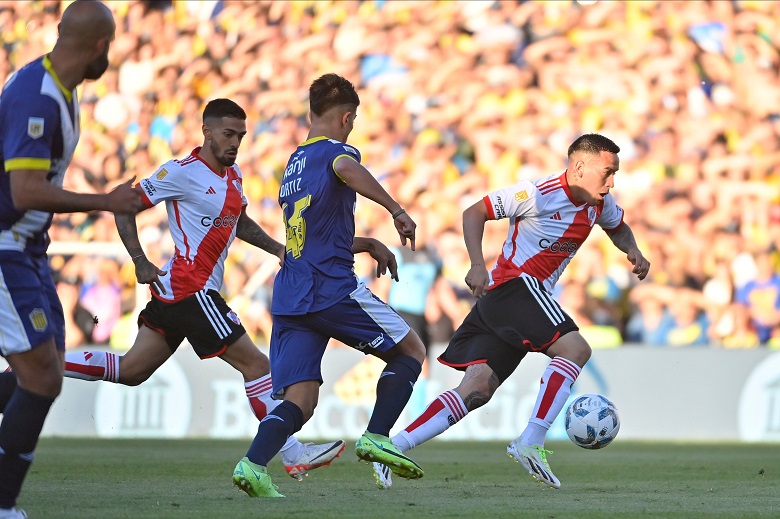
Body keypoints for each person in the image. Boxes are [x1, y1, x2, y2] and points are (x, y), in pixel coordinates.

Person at [62, 98, 382, 480]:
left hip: (177, 293)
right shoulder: (181, 172)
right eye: (228, 134)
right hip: (192, 290)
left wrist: (276, 248)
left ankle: (50, 363)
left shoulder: (234, 176)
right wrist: (139, 260)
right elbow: (124, 205)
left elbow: (239, 222)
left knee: (132, 371)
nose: (235, 143)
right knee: (257, 366)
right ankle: (292, 453)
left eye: (241, 136)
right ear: (207, 131)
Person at [371, 133, 650, 490]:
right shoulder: (537, 193)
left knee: (477, 389)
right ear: (579, 167)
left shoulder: (600, 203)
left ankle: (393, 447)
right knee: (576, 349)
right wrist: (477, 264)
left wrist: (633, 250)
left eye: (615, 174)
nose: (612, 183)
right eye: (607, 173)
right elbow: (475, 212)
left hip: (507, 302)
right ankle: (531, 441)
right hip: (515, 287)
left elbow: (618, 228)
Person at [231, 73, 427, 498]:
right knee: (411, 350)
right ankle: (377, 436)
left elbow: (312, 237)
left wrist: (368, 243)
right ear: (346, 118)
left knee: (300, 401)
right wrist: (395, 209)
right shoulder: (338, 152)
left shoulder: (293, 165)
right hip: (330, 288)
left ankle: (253, 465)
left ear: (310, 114)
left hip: (291, 294)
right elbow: (345, 168)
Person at [0, 2, 144, 518]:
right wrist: (106, 200)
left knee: (46, 368)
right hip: (6, 246)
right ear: (101, 46)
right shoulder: (36, 97)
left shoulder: (59, 87)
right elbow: (24, 191)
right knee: (41, 377)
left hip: (29, 248)